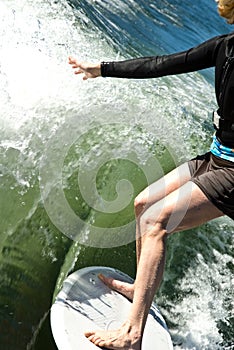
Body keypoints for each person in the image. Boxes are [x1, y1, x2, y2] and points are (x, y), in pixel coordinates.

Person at [68, 1, 234, 349]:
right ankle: (139, 291)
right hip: (217, 158)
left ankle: (132, 334)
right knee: (144, 203)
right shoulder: (225, 46)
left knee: (155, 221)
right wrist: (103, 68)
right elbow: (162, 64)